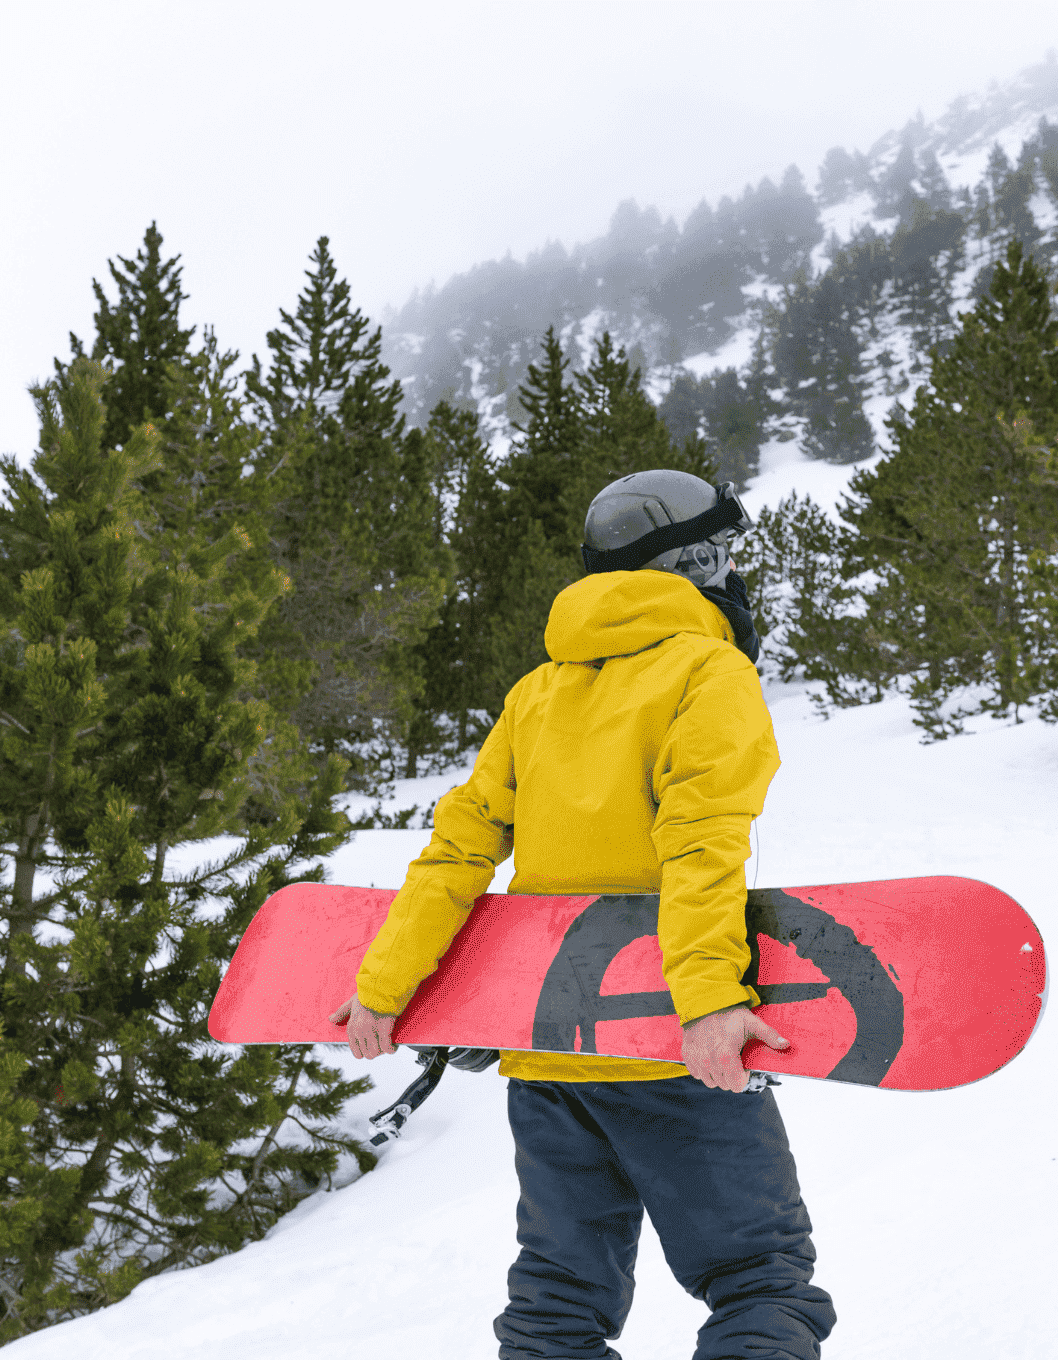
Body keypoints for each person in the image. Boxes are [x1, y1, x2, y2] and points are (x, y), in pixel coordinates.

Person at [328, 469, 835, 1360]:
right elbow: (699, 843)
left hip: (551, 1057)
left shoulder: (536, 693)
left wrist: (383, 985)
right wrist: (711, 1000)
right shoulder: (708, 670)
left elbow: (458, 852)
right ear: (695, 561)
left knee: (560, 1301)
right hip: (671, 1053)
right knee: (760, 1283)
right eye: (722, 556)